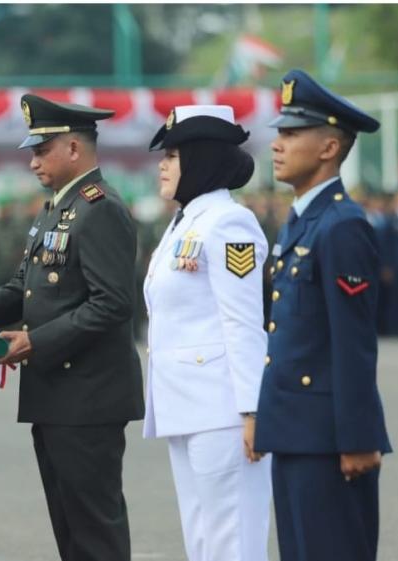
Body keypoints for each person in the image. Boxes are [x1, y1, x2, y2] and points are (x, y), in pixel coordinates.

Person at [0, 93, 144, 561]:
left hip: (88, 399)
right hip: (56, 396)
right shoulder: (57, 207)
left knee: (95, 532)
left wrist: (35, 341)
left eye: (40, 150)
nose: (32, 162)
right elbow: (23, 288)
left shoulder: (100, 208)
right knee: (70, 531)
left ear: (73, 149)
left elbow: (113, 304)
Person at [254, 69, 392, 561]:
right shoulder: (301, 223)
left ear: (329, 147)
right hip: (295, 431)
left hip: (330, 440)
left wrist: (359, 439)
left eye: (291, 134)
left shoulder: (341, 227)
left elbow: (353, 344)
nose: (277, 144)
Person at [142, 105, 272, 561]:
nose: (162, 163)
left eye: (173, 155)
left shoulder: (229, 223)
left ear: (202, 160)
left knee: (230, 541)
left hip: (224, 410)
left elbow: (243, 320)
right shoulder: (183, 223)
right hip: (187, 407)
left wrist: (254, 409)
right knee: (202, 541)